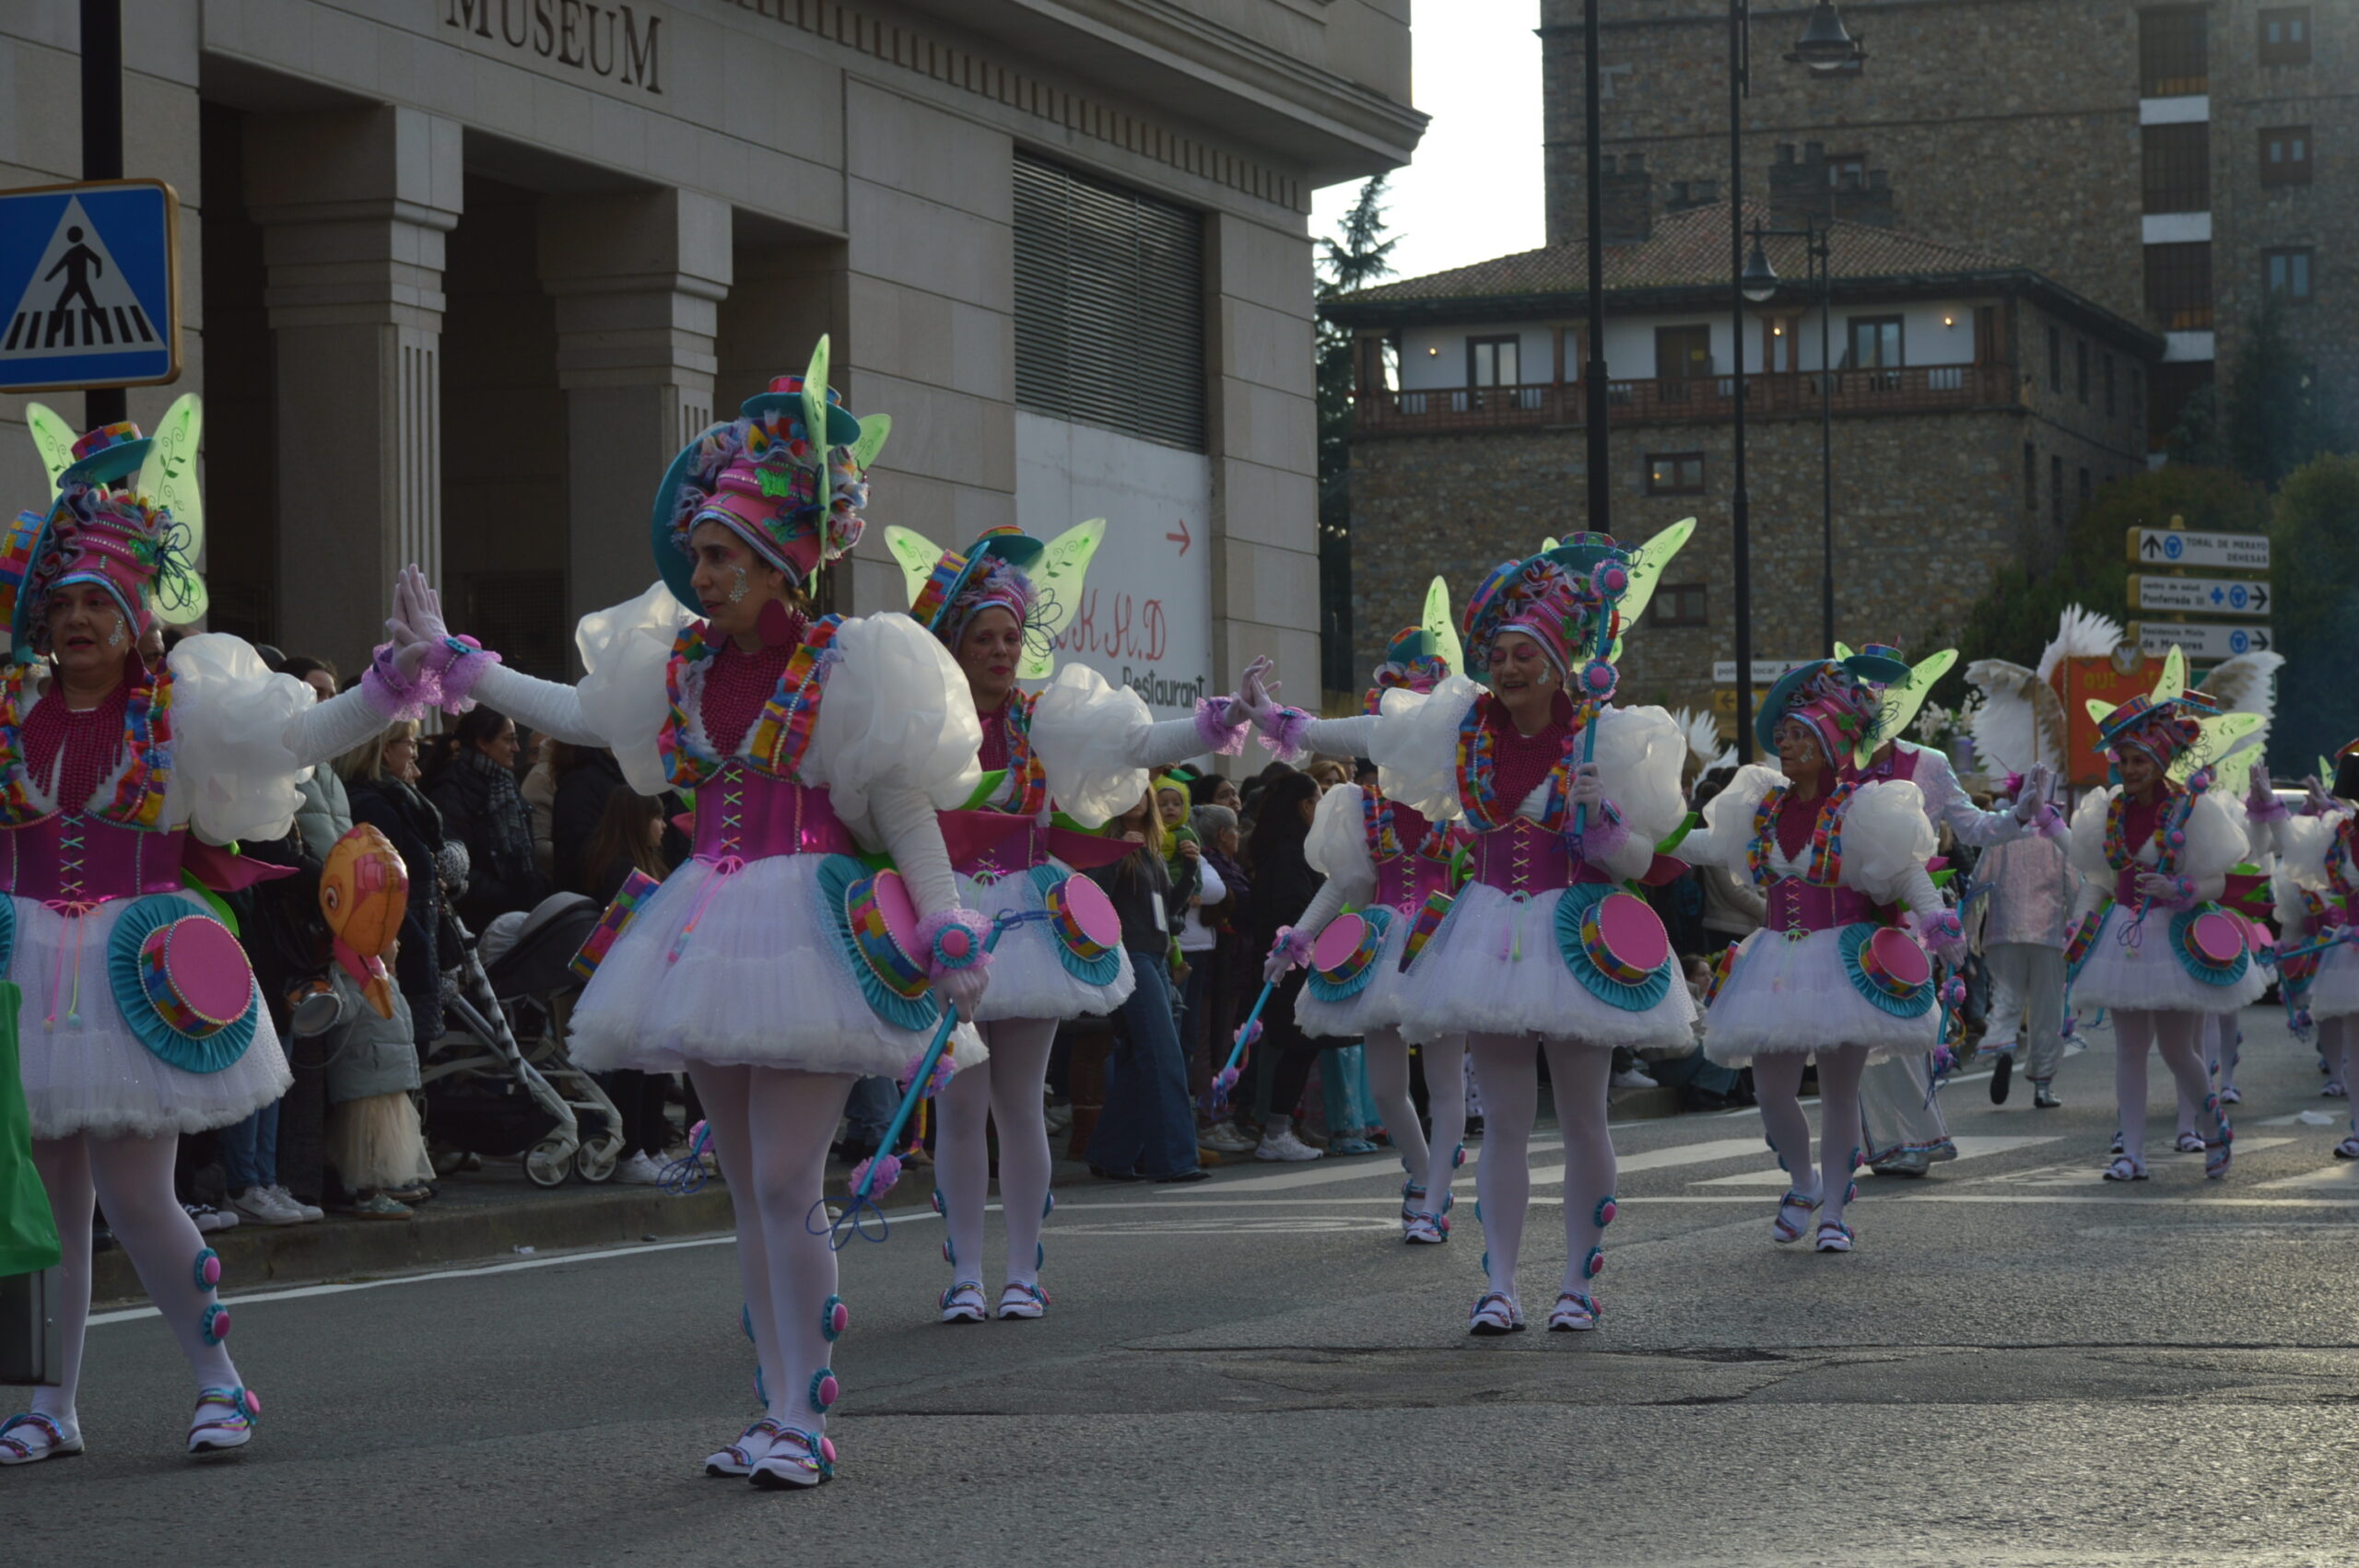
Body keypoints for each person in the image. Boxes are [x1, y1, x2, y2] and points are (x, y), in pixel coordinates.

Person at [380, 347, 993, 1490]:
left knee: (779, 1181)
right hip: (708, 923)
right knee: (749, 1184)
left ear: (780, 563)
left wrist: (949, 922)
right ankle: (775, 1405)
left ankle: (805, 1416)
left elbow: (904, 805)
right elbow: (576, 709)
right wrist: (465, 668)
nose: (698, 573)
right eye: (700, 553)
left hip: (808, 927)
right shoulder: (680, 671)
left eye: (720, 556)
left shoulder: (851, 661)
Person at [0, 399, 435, 1464]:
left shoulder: (183, 708)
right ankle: (48, 1402)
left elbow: (303, 734)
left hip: (127, 969)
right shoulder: (11, 709)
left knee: (141, 1192)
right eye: (63, 602)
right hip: (24, 968)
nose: (78, 621)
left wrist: (390, 682)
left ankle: (220, 1384)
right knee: (42, 1202)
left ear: (143, 612)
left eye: (101, 601)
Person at [1255, 536, 1697, 1334]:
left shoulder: (1605, 736)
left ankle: (1576, 1284)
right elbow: (1373, 736)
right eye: (1498, 652)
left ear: (1561, 663)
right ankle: (1500, 1283)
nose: (1509, 665)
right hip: (1490, 931)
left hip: (1576, 935)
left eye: (1526, 653)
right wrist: (1286, 724)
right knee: (1505, 1118)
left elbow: (1638, 861)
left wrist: (1604, 822)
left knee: (1585, 1114)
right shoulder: (1462, 729)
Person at [887, 526, 1263, 1322]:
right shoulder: (921, 725)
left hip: (1024, 923)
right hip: (946, 919)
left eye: (1010, 637)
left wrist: (1216, 721)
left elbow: (1138, 742)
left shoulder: (1043, 721)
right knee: (958, 1107)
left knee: (1020, 1102)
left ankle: (1022, 1269)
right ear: (951, 644)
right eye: (983, 637)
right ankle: (964, 1277)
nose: (999, 650)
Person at [1679, 649, 1962, 1254]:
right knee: (1772, 1091)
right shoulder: (1763, 805)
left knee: (1839, 1092)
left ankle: (1834, 1209)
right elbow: (1705, 845)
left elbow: (1906, 874)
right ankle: (1804, 1183)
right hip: (1776, 959)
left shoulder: (1863, 808)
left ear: (1831, 746)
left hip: (1844, 962)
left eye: (1800, 736)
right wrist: (1635, 832)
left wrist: (1938, 920)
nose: (1786, 745)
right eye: (1782, 735)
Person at [1274, 611, 1471, 1241]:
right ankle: (1420, 1169)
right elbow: (1347, 882)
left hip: (1446, 942)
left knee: (1444, 1083)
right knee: (1387, 1087)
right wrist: (1300, 935)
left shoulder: (1468, 802)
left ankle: (1436, 1198)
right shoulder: (1363, 806)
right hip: (1382, 946)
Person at [1850, 649, 2054, 1176]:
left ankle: (1915, 1138)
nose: (1875, 706)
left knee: (1905, 1027)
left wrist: (2020, 814)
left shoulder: (1929, 765)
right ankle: (1869, 1143)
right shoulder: (1833, 761)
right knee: (1852, 1034)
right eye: (1863, 695)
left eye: (1886, 696)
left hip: (1910, 914)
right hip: (1844, 914)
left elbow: (1976, 828)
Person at [2066, 669, 2257, 1182]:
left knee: (2177, 1049)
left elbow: (2217, 880)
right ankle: (2132, 1153)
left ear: (2160, 762)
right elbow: (2100, 878)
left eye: (2139, 761)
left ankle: (2214, 1128)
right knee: (2129, 1048)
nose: (2129, 769)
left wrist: (2182, 890)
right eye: (2123, 760)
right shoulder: (2110, 811)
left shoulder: (2189, 809)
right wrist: (2080, 919)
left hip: (2173, 938)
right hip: (2124, 938)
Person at [1085, 791, 1209, 1187]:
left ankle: (1111, 1154)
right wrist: (1118, 852)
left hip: (1154, 957)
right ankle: (1173, 1159)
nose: (1136, 796)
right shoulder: (1113, 845)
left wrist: (1189, 870)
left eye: (1142, 790)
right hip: (1129, 957)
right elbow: (1092, 897)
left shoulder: (1153, 851)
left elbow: (1169, 915)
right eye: (1126, 788)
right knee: (1162, 1055)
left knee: (1142, 1059)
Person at [578, 785, 676, 1184]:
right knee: (633, 1066)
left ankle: (649, 1146)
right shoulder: (620, 869)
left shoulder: (645, 862)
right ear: (639, 821)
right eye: (656, 817)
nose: (665, 825)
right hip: (626, 979)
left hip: (643, 978)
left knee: (651, 1066)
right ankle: (632, 1149)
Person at [335, 721, 448, 1060]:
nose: (415, 753)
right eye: (410, 744)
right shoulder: (377, 806)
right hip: (400, 949)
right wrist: (413, 944)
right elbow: (385, 886)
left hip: (410, 942)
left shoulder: (395, 798)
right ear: (385, 749)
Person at [1238, 767, 1334, 1163]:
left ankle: (1270, 1125)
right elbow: (1295, 907)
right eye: (1319, 800)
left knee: (1288, 1045)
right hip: (1289, 964)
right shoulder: (1292, 851)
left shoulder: (1283, 846)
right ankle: (1275, 1131)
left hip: (1284, 962)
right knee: (1298, 1042)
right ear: (1305, 805)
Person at [1971, 798, 2075, 1110]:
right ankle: (2042, 1085)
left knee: (2007, 997)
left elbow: (1978, 882)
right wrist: (2078, 927)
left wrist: (1969, 929)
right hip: (2049, 932)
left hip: (2003, 931)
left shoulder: (2003, 834)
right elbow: (2075, 884)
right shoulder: (2057, 835)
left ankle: (2003, 1045)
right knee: (2048, 1008)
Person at [426, 706, 551, 929]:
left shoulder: (505, 783)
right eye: (508, 740)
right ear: (483, 743)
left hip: (518, 913)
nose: (516, 748)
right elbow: (458, 869)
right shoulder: (451, 791)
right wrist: (510, 894)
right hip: (481, 922)